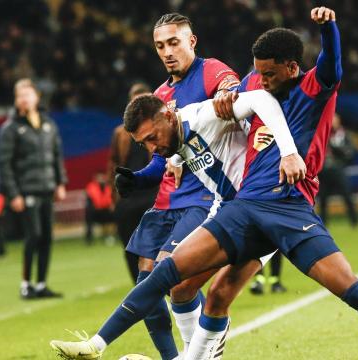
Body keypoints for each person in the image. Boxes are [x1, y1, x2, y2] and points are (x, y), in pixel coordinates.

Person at [50, 7, 358, 360]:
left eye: (269, 74)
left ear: (291, 67)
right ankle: (98, 344)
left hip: (290, 205)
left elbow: (329, 62)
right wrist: (230, 99)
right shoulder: (240, 88)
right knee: (182, 281)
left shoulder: (314, 86)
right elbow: (242, 96)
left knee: (350, 289)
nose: (262, 81)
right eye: (257, 73)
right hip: (244, 204)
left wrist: (328, 28)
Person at [110, 13, 242, 360]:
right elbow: (161, 159)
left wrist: (230, 93)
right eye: (160, 46)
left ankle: (203, 344)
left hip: (203, 196)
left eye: (173, 42)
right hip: (167, 200)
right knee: (147, 288)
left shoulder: (211, 70)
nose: (167, 51)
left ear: (191, 42)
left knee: (172, 280)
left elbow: (232, 90)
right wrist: (136, 179)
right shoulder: (160, 95)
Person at [0, 78, 68, 299]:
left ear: (36, 97)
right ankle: (26, 284)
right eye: (20, 96)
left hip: (47, 187)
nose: (24, 99)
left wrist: (60, 182)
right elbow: (5, 164)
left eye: (27, 94)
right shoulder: (11, 128)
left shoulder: (48, 125)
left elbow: (56, 156)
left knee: (47, 236)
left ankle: (41, 284)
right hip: (26, 190)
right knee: (33, 235)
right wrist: (14, 193)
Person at [108, 82, 158, 282]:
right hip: (128, 199)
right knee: (129, 246)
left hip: (153, 195)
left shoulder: (160, 129)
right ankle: (138, 285)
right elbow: (113, 163)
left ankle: (158, 282)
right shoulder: (120, 133)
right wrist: (115, 195)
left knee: (157, 244)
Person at [318, 113, 358, 227]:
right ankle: (323, 224)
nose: (332, 122)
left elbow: (350, 153)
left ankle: (355, 221)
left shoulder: (344, 134)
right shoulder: (322, 134)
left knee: (347, 195)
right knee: (322, 199)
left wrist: (336, 149)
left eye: (334, 119)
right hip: (324, 171)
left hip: (338, 169)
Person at [84, 172, 115, 244]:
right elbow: (93, 200)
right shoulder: (91, 187)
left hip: (106, 211)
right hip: (95, 212)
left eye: (102, 177)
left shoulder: (108, 187)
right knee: (89, 212)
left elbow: (110, 200)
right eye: (99, 177)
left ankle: (114, 236)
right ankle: (89, 240)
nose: (101, 179)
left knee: (118, 212)